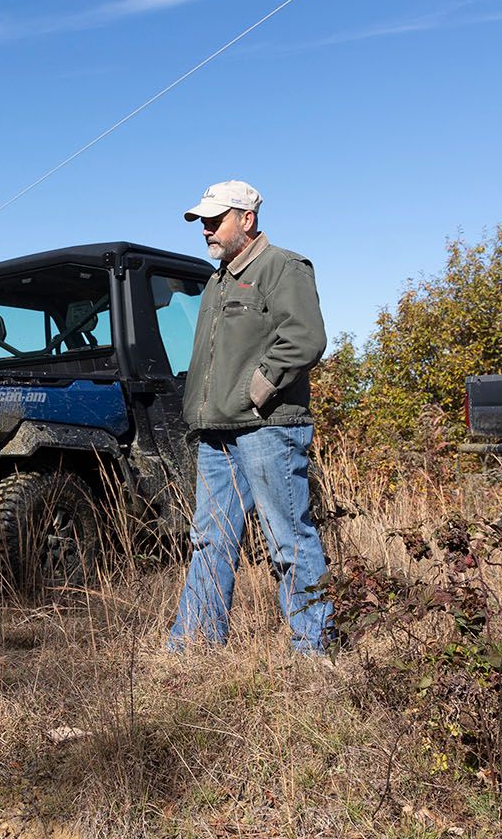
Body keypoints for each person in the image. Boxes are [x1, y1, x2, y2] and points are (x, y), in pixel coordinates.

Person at [168, 181, 332, 654]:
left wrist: (256, 391)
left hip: (268, 427)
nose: (206, 230)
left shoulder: (283, 267)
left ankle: (313, 648)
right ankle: (196, 644)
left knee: (287, 540)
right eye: (203, 221)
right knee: (209, 541)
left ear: (247, 218)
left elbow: (305, 337)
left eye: (216, 220)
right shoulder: (216, 281)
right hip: (217, 432)